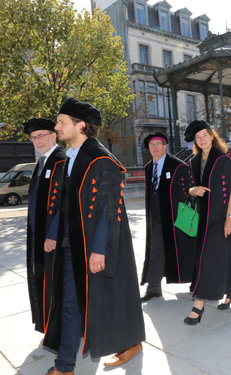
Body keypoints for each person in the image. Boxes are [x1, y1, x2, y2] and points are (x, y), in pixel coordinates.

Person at [43, 98, 145, 375]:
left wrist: (98, 249)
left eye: (62, 122)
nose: (57, 127)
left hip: (92, 245)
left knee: (89, 300)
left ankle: (65, 366)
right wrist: (52, 234)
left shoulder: (102, 161)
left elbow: (107, 211)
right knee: (75, 302)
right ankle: (67, 364)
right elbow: (62, 204)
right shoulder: (69, 158)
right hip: (70, 243)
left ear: (82, 126)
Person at [183, 120, 231, 325]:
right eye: (197, 138)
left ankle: (198, 305)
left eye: (204, 135)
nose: (201, 140)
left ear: (211, 135)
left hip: (221, 217)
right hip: (202, 218)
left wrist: (229, 219)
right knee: (222, 255)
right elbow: (190, 187)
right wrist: (193, 190)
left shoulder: (222, 159)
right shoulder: (194, 161)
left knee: (207, 259)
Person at [140, 132, 196, 302]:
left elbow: (188, 193)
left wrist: (186, 217)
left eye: (159, 144)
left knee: (187, 250)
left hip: (176, 219)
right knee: (155, 252)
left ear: (165, 146)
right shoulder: (149, 167)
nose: (155, 148)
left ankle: (196, 282)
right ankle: (154, 287)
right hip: (156, 218)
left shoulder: (178, 166)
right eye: (152, 145)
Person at [23, 118, 66, 337]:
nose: (37, 141)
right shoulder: (42, 162)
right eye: (33, 137)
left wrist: (52, 234)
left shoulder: (61, 160)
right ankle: (47, 324)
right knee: (42, 277)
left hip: (53, 237)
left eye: (41, 136)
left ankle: (58, 328)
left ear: (53, 135)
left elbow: (63, 202)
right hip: (37, 233)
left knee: (55, 281)